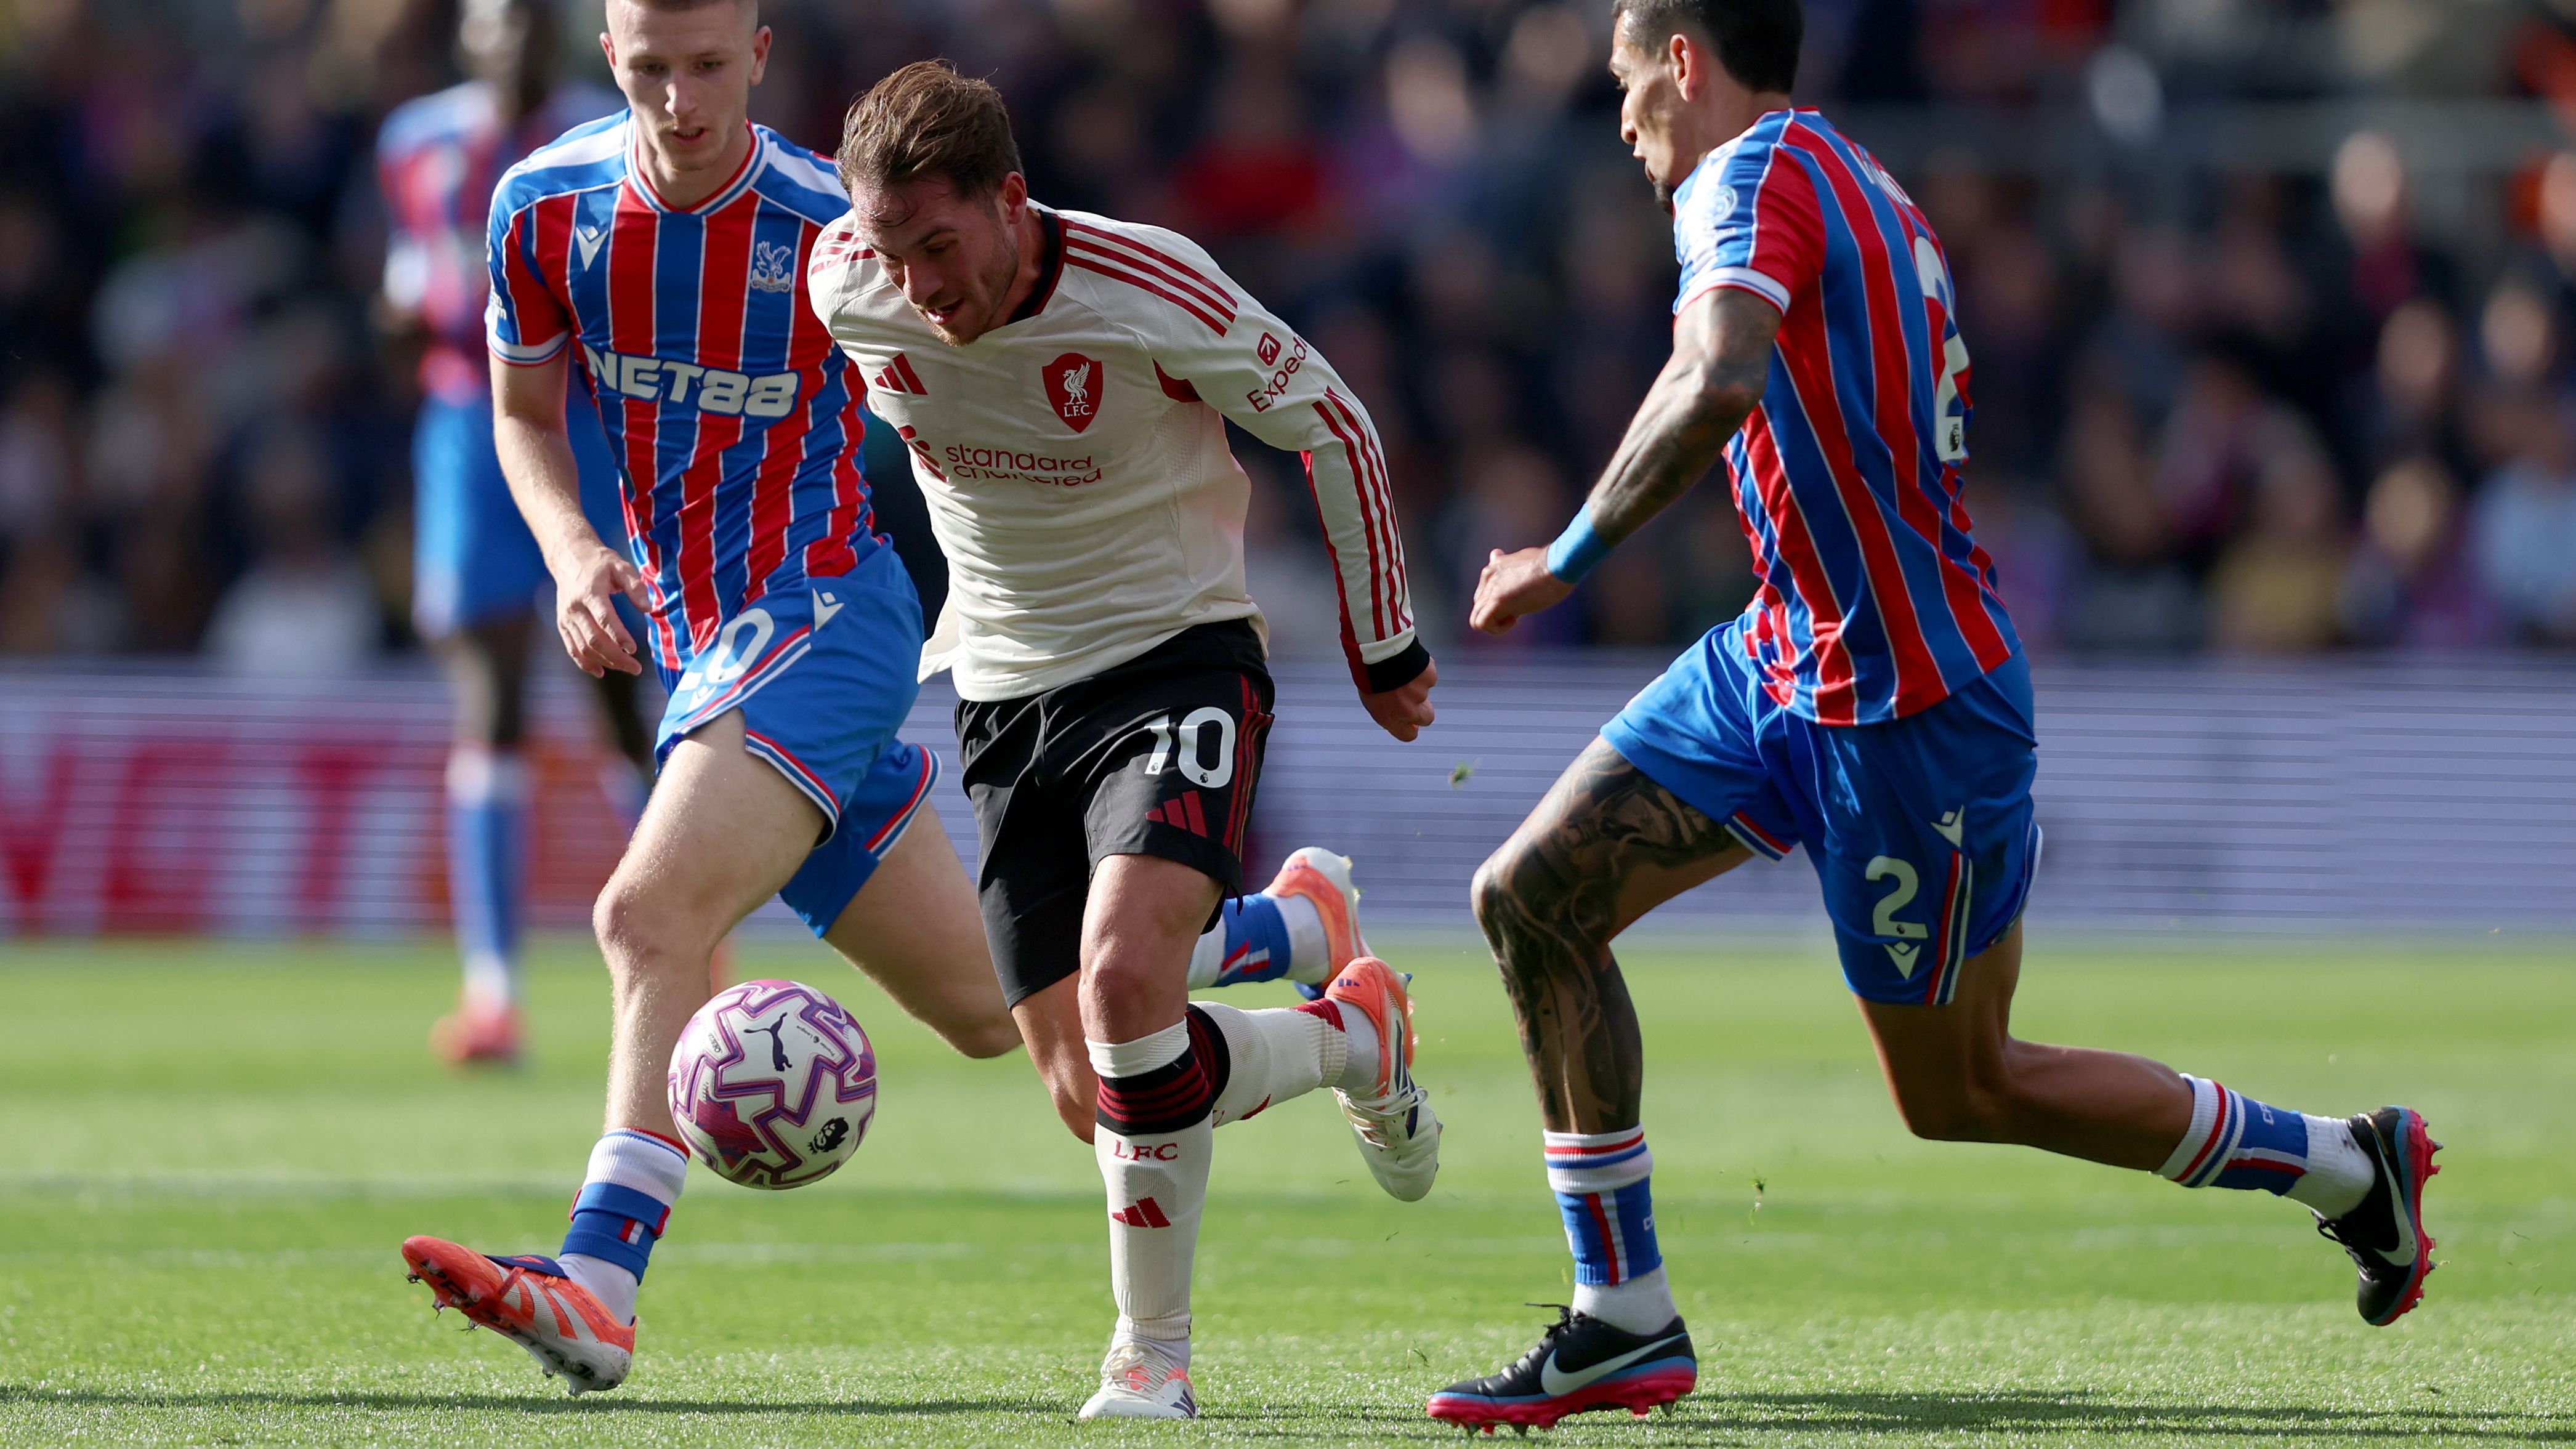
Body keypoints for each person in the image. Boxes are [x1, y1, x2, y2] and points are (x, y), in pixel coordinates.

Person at [1430, 0, 2441, 1431]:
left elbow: (1716, 378)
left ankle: (2346, 1164)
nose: (1616, 120)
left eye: (1620, 82)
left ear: (1681, 61)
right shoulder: (1845, 174)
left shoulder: (1747, 177)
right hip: (1786, 651)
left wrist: (1564, 555)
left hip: (1907, 702)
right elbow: (1750, 380)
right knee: (1530, 898)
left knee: (1961, 1087)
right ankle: (1620, 1313)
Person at [395, 0, 1387, 1397]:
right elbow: (517, 406)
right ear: (607, 58)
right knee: (1008, 1025)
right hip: (699, 647)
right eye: (649, 70)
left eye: (705, 66)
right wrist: (569, 550)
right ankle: (1300, 947)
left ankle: (599, 1278)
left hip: (827, 619)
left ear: (758, 49)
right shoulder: (540, 209)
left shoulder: (833, 229)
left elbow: (1005, 315)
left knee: (647, 914)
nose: (680, 104)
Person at [809, 62, 1443, 1420]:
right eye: (890, 250)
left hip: (1175, 655)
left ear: (1011, 203)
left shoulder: (1147, 284)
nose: (917, 285)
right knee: (1098, 1095)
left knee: (1121, 984)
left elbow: (1332, 422)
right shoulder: (840, 280)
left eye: (940, 246)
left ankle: (1149, 1361)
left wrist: (1382, 636)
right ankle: (1346, 1031)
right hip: (997, 689)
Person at [376, 0, 648, 1064]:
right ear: (469, 36)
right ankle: (492, 992)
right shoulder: (416, 141)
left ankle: (689, 931)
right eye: (500, 22)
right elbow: (411, 274)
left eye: (535, 22)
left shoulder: (606, 132)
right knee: (488, 694)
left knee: (619, 684)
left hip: (585, 414)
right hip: (467, 422)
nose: (516, 40)